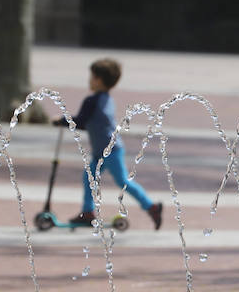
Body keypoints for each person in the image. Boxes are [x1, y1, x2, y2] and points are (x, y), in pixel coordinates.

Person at [54, 58, 163, 230]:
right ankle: (88, 212)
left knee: (122, 181)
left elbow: (81, 122)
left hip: (111, 150)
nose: (89, 80)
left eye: (91, 77)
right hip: (102, 150)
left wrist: (61, 120)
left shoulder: (92, 101)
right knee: (89, 177)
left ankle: (151, 207)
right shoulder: (106, 99)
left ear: (98, 79)